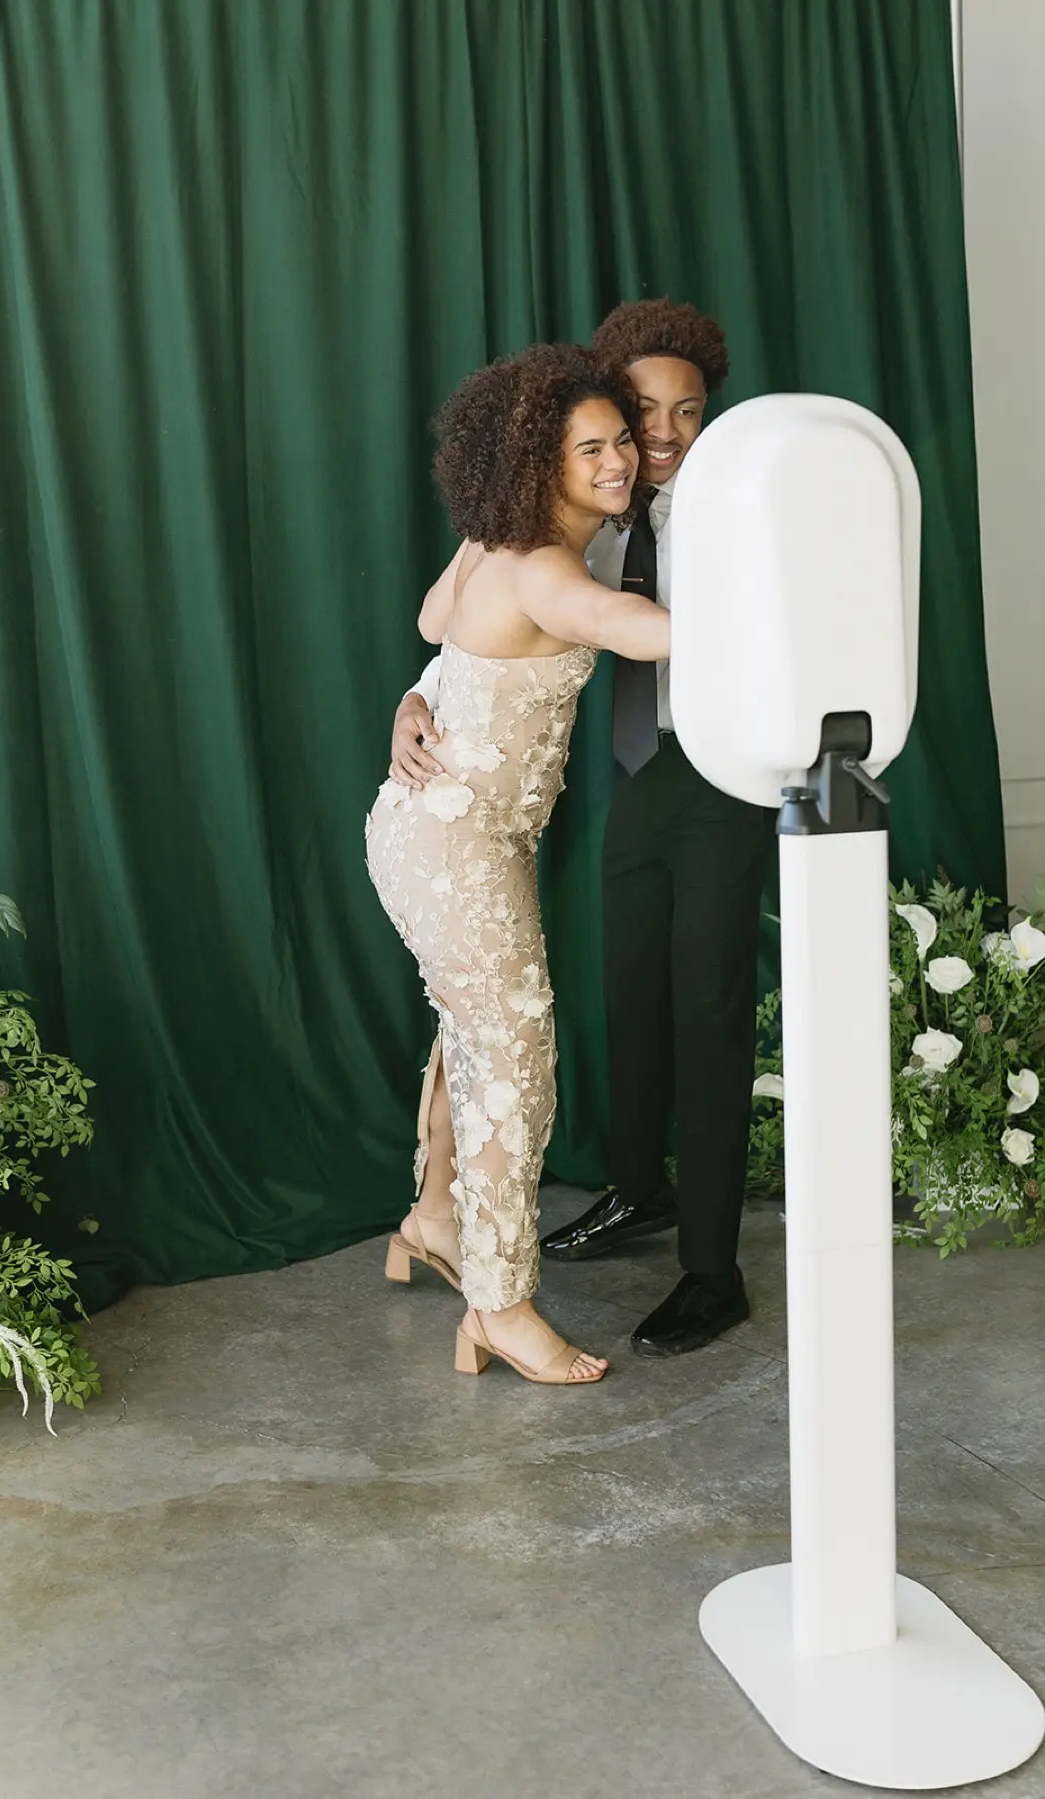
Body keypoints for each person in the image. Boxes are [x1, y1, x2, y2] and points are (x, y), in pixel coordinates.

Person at [390, 298, 774, 1357]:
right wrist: (417, 701)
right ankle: (637, 1190)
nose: (656, 437)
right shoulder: (565, 508)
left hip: (727, 769)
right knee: (626, 997)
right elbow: (446, 621)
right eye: (633, 414)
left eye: (684, 413)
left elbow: (653, 629)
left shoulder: (733, 508)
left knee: (703, 1009)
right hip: (638, 773)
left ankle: (712, 1269)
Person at [366, 342, 670, 1385]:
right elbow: (636, 629)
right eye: (589, 447)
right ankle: (498, 1304)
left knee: (477, 1029)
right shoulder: (546, 566)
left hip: (444, 833)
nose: (619, 460)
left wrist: (419, 698)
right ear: (537, 461)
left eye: (621, 439)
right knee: (515, 1056)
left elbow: (435, 626)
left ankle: (433, 1216)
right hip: (451, 842)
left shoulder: (491, 539)